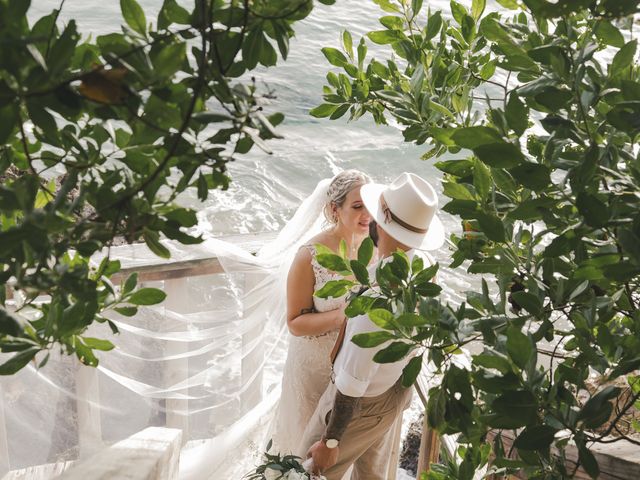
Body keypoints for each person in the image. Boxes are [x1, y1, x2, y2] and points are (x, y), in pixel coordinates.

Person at [301, 172, 445, 480]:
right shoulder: (423, 275)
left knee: (302, 471)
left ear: (381, 224)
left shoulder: (378, 298)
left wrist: (330, 441)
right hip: (390, 397)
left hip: (357, 409)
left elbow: (352, 383)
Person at [269, 169, 373, 456]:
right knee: (303, 450)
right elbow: (295, 322)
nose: (367, 215)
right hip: (313, 370)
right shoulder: (309, 255)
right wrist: (342, 315)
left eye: (370, 205)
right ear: (334, 209)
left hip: (352, 371)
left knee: (339, 450)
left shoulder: (377, 248)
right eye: (357, 206)